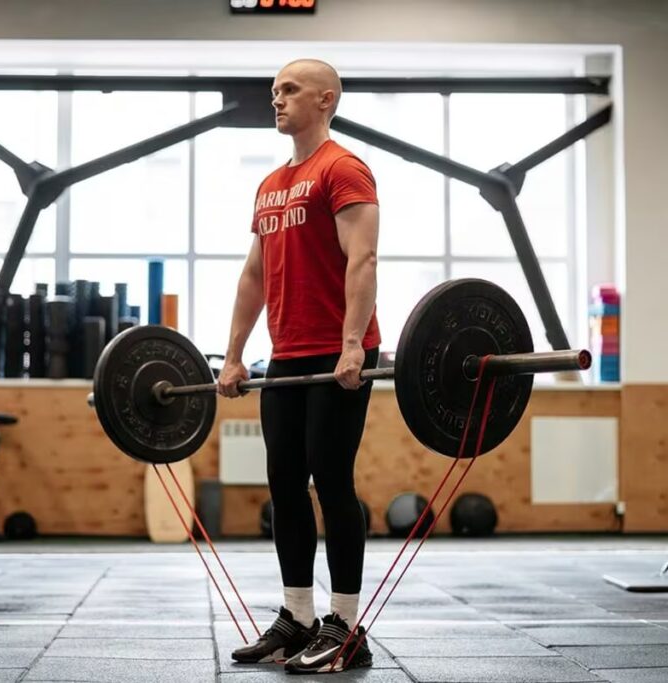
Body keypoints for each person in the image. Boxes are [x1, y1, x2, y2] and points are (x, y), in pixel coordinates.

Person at [220, 58, 381, 674]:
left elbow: (362, 259)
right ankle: (297, 618)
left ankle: (344, 624)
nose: (277, 100)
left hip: (335, 354)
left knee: (330, 483)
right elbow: (254, 275)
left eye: (289, 90)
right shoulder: (269, 185)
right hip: (285, 357)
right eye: (273, 92)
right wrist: (235, 354)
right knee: (285, 485)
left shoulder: (344, 168)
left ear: (326, 99)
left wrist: (351, 345)